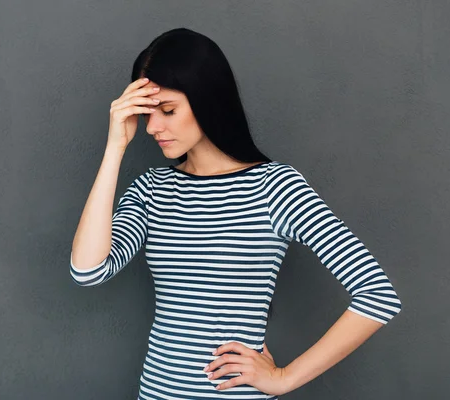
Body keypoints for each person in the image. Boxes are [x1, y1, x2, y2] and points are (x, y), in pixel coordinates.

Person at [70, 27, 402, 399]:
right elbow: (88, 271)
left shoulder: (275, 187)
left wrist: (283, 378)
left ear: (207, 99)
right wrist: (115, 148)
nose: (154, 128)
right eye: (148, 113)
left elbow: (378, 295)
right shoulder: (152, 190)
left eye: (168, 110)